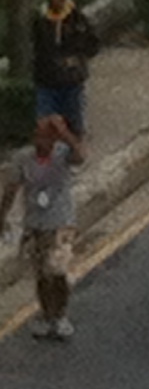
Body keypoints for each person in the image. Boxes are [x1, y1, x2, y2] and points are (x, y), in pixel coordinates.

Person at [0, 114, 86, 339]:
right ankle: (47, 314)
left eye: (49, 137)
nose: (43, 142)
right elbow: (12, 189)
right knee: (42, 275)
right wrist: (3, 216)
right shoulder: (23, 159)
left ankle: (61, 314)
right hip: (36, 224)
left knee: (57, 271)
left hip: (60, 225)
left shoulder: (62, 154)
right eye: (40, 136)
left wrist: (66, 135)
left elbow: (80, 156)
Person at [29, 0, 99, 138]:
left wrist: (77, 58)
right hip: (46, 78)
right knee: (44, 119)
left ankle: (75, 145)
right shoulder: (41, 20)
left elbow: (91, 43)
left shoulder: (77, 19)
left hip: (71, 77)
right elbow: (37, 46)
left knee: (73, 117)